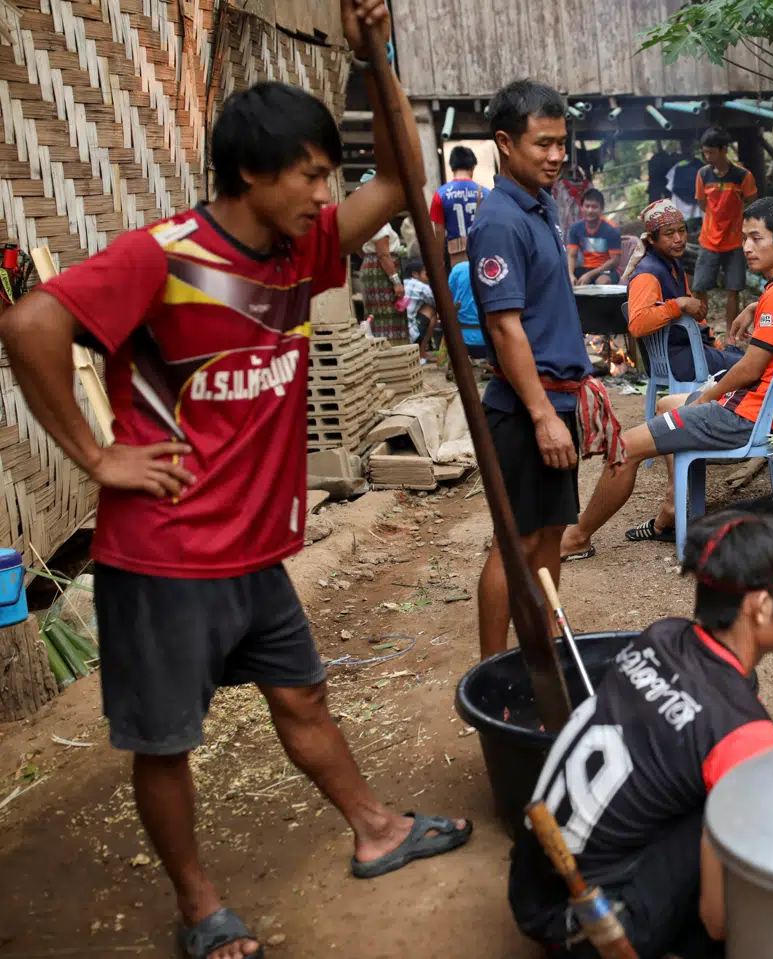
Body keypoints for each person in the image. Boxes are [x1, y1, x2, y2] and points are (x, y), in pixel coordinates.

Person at [0, 7, 472, 959]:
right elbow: (30, 325)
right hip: (166, 555)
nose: (320, 191)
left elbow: (401, 180)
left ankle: (376, 830)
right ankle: (200, 906)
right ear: (254, 172)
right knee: (166, 741)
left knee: (302, 698)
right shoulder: (163, 255)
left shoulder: (304, 250)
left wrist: (372, 55)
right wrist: (97, 456)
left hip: (255, 551)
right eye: (307, 174)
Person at [510, 511, 773, 959]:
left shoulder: (661, 637)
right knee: (736, 816)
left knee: (708, 781)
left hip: (530, 885)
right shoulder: (743, 736)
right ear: (760, 606)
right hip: (594, 928)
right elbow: (719, 921)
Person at [560, 198, 773, 558]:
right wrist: (752, 307)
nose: (746, 247)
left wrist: (706, 397)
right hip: (768, 409)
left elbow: (750, 368)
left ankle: (577, 538)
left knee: (625, 447)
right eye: (744, 238)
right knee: (668, 402)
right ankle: (672, 507)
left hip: (743, 415)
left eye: (757, 239)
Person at [469, 79, 625, 659]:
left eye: (562, 143)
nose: (557, 156)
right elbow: (506, 327)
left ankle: (543, 650)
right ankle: (488, 670)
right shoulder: (500, 220)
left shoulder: (541, 208)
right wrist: (541, 416)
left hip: (556, 399)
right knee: (514, 542)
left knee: (551, 533)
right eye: (543, 144)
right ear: (505, 144)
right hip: (522, 408)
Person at [625, 199, 744, 383]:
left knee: (742, 355)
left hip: (692, 349)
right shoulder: (648, 274)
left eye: (682, 231)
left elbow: (696, 317)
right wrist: (678, 304)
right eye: (669, 234)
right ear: (651, 239)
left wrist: (715, 343)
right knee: (749, 367)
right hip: (674, 360)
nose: (678, 239)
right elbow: (638, 324)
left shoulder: (674, 266)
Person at [692, 127, 757, 328]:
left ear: (723, 150)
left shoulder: (742, 176)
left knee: (733, 289)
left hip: (735, 241)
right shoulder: (703, 175)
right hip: (709, 240)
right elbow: (702, 204)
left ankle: (731, 334)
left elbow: (751, 203)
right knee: (699, 286)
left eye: (711, 152)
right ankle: (702, 330)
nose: (707, 157)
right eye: (705, 152)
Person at [356, 171, 408, 344]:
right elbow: (383, 254)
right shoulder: (376, 218)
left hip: (370, 265)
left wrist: (368, 259)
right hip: (382, 271)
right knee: (387, 314)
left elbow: (357, 247)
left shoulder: (361, 216)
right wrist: (396, 281)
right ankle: (390, 353)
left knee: (374, 315)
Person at [430, 144, 487, 265]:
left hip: (456, 258)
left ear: (452, 167)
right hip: (482, 254)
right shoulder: (486, 194)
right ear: (473, 167)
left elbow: (439, 232)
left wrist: (438, 261)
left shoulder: (440, 195)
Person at [566, 188, 623, 285]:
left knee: (602, 282)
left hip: (606, 270)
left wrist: (590, 274)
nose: (590, 210)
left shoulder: (612, 230)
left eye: (594, 207)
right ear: (582, 207)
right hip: (585, 268)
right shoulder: (574, 229)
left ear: (602, 209)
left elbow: (615, 261)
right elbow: (572, 255)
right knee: (565, 280)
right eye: (587, 206)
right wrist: (570, 275)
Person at [448, 259, 487, 362]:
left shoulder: (459, 269)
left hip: (462, 344)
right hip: (491, 344)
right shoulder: (494, 269)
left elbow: (448, 297)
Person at [401, 258, 438, 360]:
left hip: (397, 332)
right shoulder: (421, 287)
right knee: (431, 310)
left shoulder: (401, 283)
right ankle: (421, 351)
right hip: (411, 333)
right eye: (426, 273)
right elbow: (436, 303)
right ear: (415, 274)